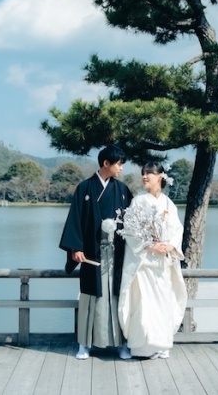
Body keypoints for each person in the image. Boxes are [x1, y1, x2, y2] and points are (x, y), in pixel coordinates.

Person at [59, 144, 133, 360]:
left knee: (117, 296)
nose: (121, 169)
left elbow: (133, 223)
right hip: (92, 253)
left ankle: (121, 344)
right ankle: (84, 343)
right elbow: (75, 220)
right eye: (119, 164)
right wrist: (76, 248)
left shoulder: (122, 190)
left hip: (116, 254)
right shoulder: (85, 189)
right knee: (91, 297)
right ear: (106, 163)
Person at [118, 162, 187, 360]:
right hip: (144, 263)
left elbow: (177, 229)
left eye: (149, 173)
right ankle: (140, 347)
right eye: (143, 174)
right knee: (143, 304)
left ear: (160, 177)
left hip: (162, 263)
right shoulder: (138, 201)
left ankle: (162, 344)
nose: (145, 177)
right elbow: (130, 230)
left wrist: (171, 245)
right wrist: (149, 244)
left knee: (162, 303)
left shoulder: (168, 203)